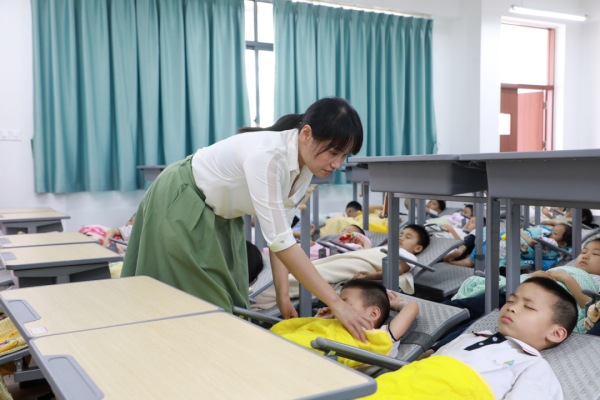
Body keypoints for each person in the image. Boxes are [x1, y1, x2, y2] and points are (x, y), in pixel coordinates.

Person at [121, 97, 372, 341]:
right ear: (306, 134)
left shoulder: (304, 166)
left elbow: (280, 234)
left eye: (345, 156)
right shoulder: (268, 156)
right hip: (182, 198)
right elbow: (282, 243)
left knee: (230, 299)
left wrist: (283, 297)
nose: (338, 164)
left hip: (221, 216)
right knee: (195, 303)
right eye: (334, 152)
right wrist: (337, 303)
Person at [396, 277, 574, 400]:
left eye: (528, 306)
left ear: (555, 333)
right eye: (510, 301)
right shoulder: (470, 336)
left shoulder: (533, 365)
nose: (511, 308)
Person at [433, 238, 600, 348]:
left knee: (480, 323)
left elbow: (589, 306)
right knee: (469, 306)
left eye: (596, 254)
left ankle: (436, 348)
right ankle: (434, 324)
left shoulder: (595, 281)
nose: (585, 255)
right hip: (517, 293)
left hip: (534, 305)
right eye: (584, 251)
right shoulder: (567, 267)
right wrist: (531, 277)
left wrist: (567, 278)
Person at [272, 280, 419, 361]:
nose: (338, 309)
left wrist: (396, 304)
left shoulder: (379, 337)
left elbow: (412, 307)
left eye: (345, 304)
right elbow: (305, 334)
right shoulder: (335, 323)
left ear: (373, 313)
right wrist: (318, 321)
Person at [352, 224, 430, 280]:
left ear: (418, 248)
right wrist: (364, 243)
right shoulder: (388, 248)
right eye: (400, 235)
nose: (401, 238)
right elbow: (368, 253)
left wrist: (372, 276)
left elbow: (397, 269)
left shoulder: (408, 255)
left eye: (408, 237)